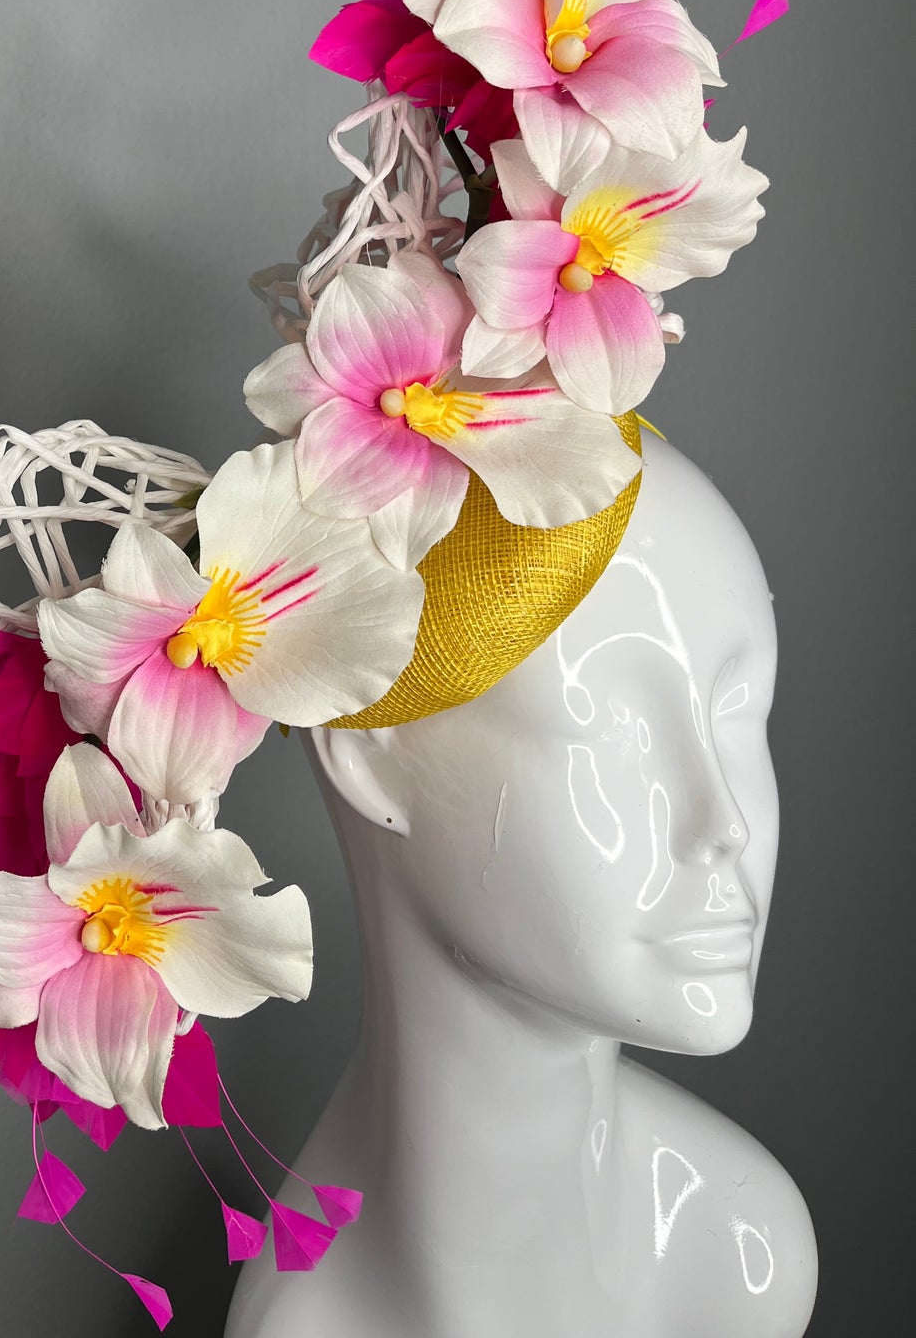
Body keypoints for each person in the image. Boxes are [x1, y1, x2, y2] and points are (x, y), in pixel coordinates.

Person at [225, 436, 817, 1338]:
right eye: (609, 730)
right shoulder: (307, 1321)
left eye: (739, 714)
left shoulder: (738, 1249)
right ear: (373, 762)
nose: (723, 821)